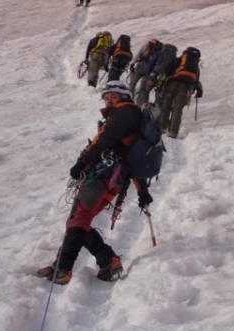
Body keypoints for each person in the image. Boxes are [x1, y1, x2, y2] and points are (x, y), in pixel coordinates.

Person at [35, 80, 153, 284]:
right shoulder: (132, 116)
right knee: (80, 220)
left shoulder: (124, 112)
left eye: (113, 96)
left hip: (103, 174)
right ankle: (108, 261)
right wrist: (141, 190)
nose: (109, 101)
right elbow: (131, 155)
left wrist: (82, 162)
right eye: (106, 98)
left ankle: (63, 270)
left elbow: (104, 139)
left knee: (79, 219)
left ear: (124, 96)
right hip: (114, 177)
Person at [156, 47, 204, 138]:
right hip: (185, 89)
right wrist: (198, 90)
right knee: (178, 109)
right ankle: (173, 131)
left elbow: (167, 71)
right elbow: (196, 81)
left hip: (172, 84)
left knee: (167, 106)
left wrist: (161, 84)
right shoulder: (195, 67)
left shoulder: (178, 61)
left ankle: (163, 127)